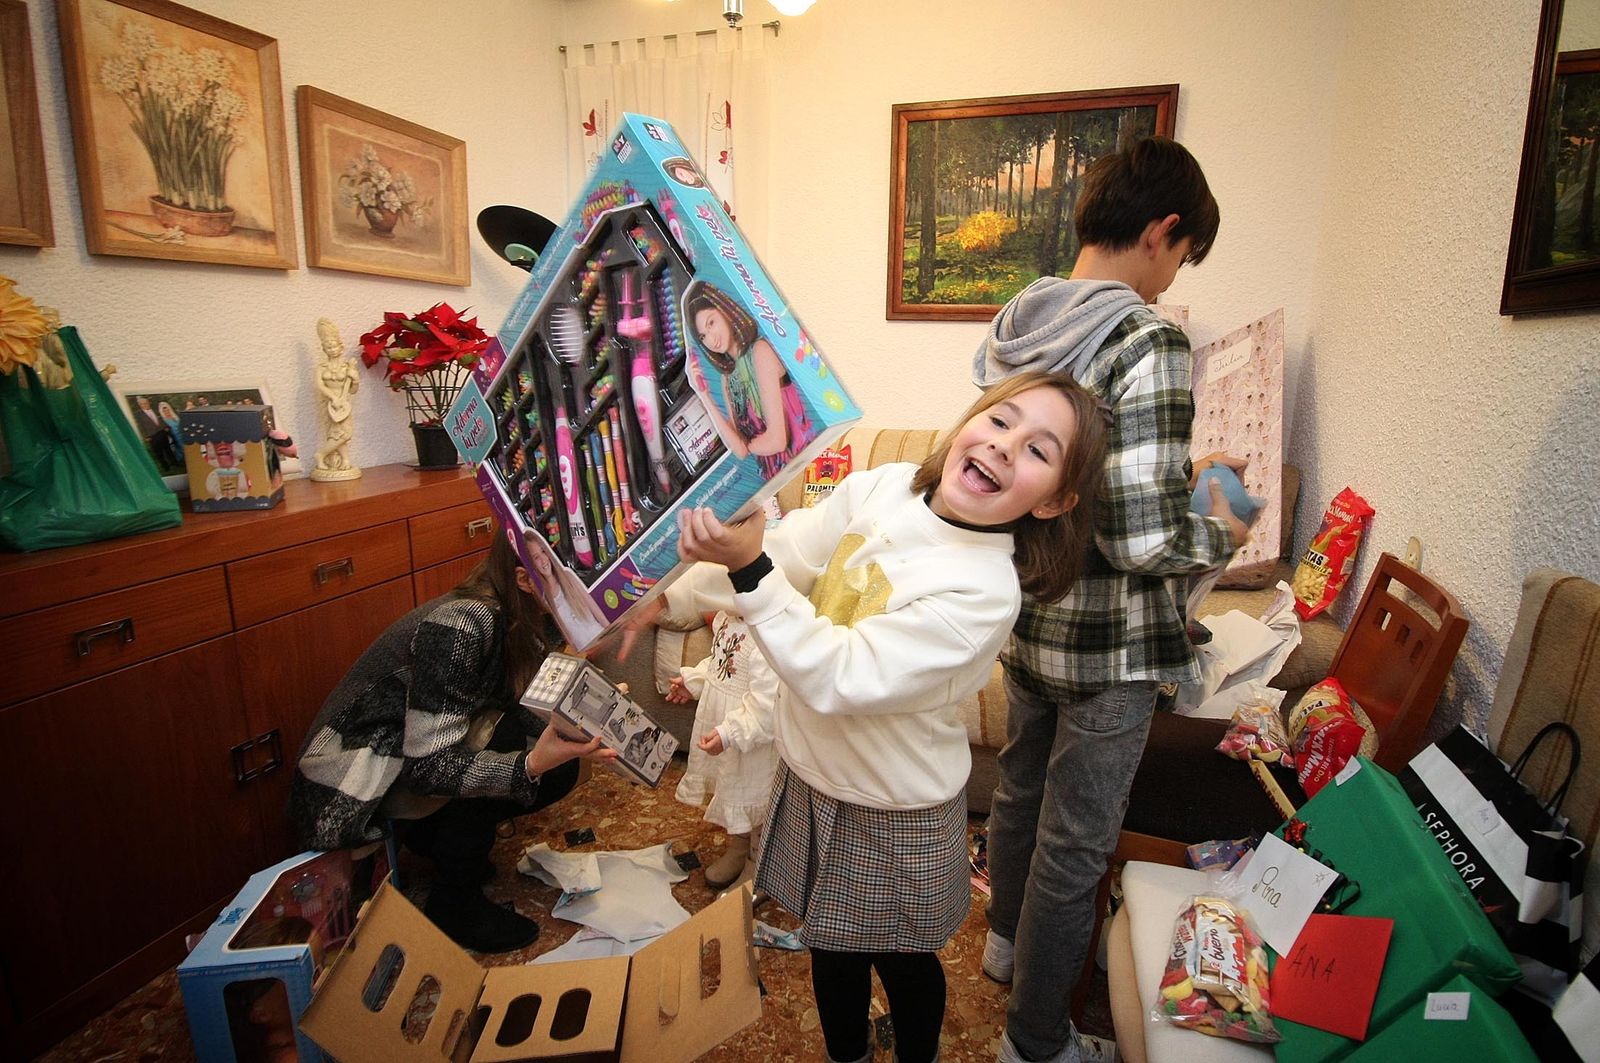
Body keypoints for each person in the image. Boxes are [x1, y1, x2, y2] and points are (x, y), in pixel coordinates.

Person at [637, 370, 1109, 1063]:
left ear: (1055, 501)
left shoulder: (982, 592)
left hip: (894, 806)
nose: (1007, 447)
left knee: (904, 961)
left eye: (1040, 450)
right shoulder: (884, 486)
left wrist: (749, 572)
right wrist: (669, 599)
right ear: (971, 420)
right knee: (828, 945)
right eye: (1003, 421)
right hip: (811, 774)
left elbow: (840, 673)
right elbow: (788, 554)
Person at [970, 136, 1247, 1063]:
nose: (1172, 282)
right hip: (1110, 647)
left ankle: (1005, 951)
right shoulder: (1145, 337)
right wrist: (1223, 529)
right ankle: (1038, 1042)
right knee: (1076, 846)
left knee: (1018, 794)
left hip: (1031, 615)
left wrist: (1180, 479)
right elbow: (1140, 537)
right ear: (1163, 231)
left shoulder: (1025, 321)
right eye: (1180, 256)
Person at [288, 531, 615, 953]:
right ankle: (453, 903)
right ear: (524, 579)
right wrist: (529, 765)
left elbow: (519, 698)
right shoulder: (462, 624)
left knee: (556, 759)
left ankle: (439, 841)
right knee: (513, 744)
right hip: (353, 777)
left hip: (408, 751)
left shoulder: (529, 616)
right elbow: (430, 767)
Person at [666, 607, 779, 891]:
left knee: (751, 798)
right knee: (730, 791)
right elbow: (718, 663)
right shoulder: (727, 619)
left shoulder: (768, 636)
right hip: (724, 727)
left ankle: (757, 864)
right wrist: (693, 682)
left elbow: (767, 708)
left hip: (750, 739)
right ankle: (739, 846)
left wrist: (731, 732)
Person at [682, 280, 815, 477]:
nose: (711, 339)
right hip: (776, 482)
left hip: (805, 466)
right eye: (702, 336)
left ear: (725, 310)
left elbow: (777, 440)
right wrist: (703, 396)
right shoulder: (728, 380)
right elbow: (739, 449)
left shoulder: (760, 352)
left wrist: (750, 445)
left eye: (711, 322)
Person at [311, 317, 361, 481]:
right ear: (324, 349)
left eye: (333, 346)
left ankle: (324, 455)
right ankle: (334, 458)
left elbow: (353, 390)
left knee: (344, 433)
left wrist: (355, 379)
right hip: (329, 403)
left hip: (344, 403)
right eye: (327, 347)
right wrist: (333, 397)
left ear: (341, 347)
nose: (331, 349)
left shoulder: (347, 367)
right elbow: (320, 385)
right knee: (335, 433)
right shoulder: (322, 367)